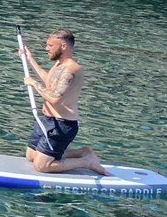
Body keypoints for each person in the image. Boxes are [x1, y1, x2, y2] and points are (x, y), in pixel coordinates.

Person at [19, 30, 109, 176]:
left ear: (63, 46)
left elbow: (55, 99)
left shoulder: (71, 69)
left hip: (61, 125)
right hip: (47, 120)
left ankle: (86, 161)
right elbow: (49, 82)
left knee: (42, 166)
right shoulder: (59, 65)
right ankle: (82, 152)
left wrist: (34, 84)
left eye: (50, 45)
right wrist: (30, 60)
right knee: (31, 156)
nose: (46, 48)